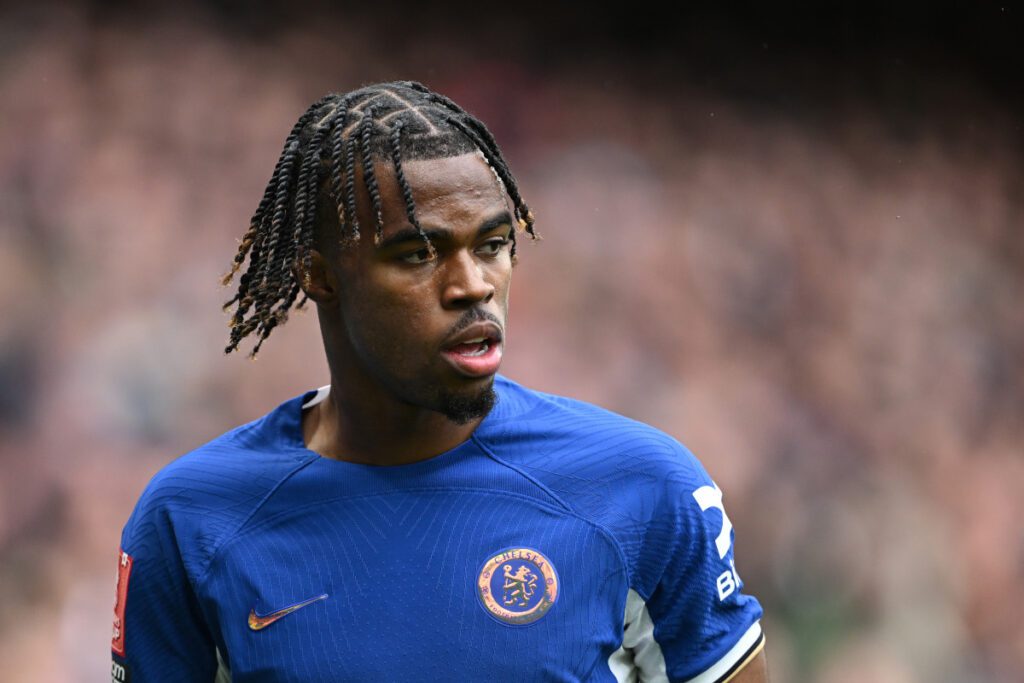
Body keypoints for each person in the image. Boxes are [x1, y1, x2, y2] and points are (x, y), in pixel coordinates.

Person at [112, 81, 768, 682]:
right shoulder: (191, 520)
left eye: (492, 245)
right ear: (319, 274)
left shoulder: (644, 487)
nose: (473, 285)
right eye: (419, 253)